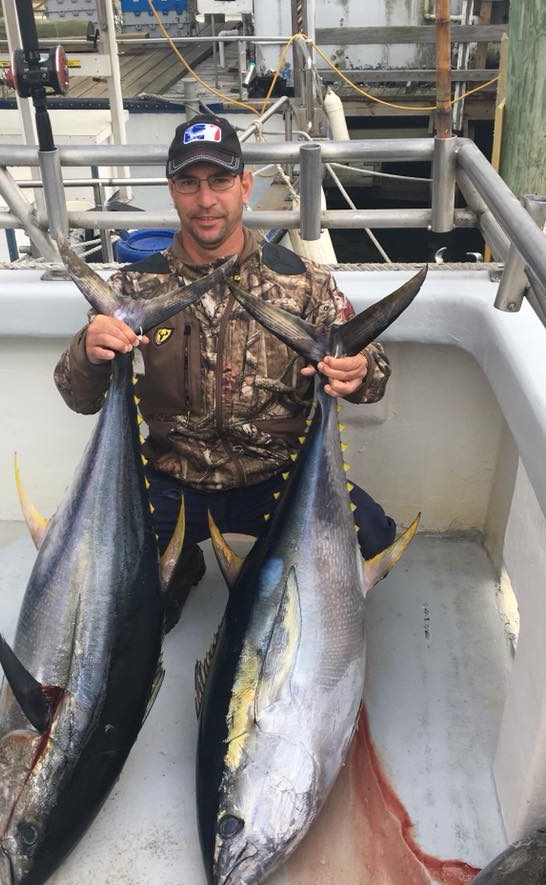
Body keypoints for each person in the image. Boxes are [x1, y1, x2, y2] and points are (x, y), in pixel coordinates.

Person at [54, 114, 395, 630]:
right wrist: (88, 349)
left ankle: (263, 564)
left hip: (278, 479)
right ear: (172, 191)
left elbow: (375, 379)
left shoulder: (306, 283)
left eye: (219, 181)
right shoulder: (131, 289)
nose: (206, 199)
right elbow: (79, 398)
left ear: (245, 186)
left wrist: (360, 369)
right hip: (172, 480)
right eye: (189, 183)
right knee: (109, 588)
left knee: (374, 544)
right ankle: (182, 563)